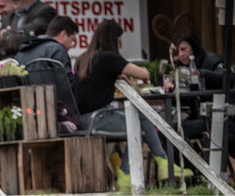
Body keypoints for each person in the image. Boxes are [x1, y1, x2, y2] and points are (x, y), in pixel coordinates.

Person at [72, 19, 181, 187]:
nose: (120, 43)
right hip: (100, 117)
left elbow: (96, 80)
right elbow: (143, 74)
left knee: (139, 123)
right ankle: (160, 165)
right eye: (119, 39)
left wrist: (115, 74)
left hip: (83, 119)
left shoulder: (83, 58)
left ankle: (129, 171)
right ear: (113, 39)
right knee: (143, 121)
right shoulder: (109, 58)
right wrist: (121, 71)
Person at [14, 15, 79, 82]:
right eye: (72, 40)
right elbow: (67, 83)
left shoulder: (22, 51)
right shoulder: (57, 49)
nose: (71, 46)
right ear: (63, 34)